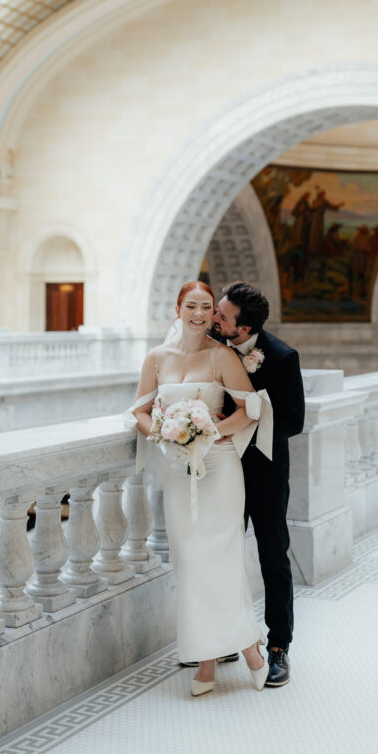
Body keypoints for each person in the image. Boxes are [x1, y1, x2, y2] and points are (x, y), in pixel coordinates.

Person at [132, 281, 272, 697]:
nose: (198, 313)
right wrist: (163, 435)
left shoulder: (221, 355)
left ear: (213, 313)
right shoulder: (156, 358)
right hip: (178, 469)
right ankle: (207, 660)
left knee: (223, 559)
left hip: (219, 468)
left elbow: (251, 407)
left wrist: (210, 433)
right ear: (178, 309)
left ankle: (250, 652)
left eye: (206, 307)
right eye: (190, 305)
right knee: (191, 561)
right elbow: (138, 410)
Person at [211, 282, 305, 687]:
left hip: (265, 470)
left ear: (245, 329)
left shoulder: (282, 357)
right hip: (222, 469)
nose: (215, 319)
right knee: (223, 554)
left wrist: (249, 423)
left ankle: (279, 647)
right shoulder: (212, 348)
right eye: (217, 311)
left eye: (223, 317)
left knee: (273, 557)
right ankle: (228, 636)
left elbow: (293, 420)